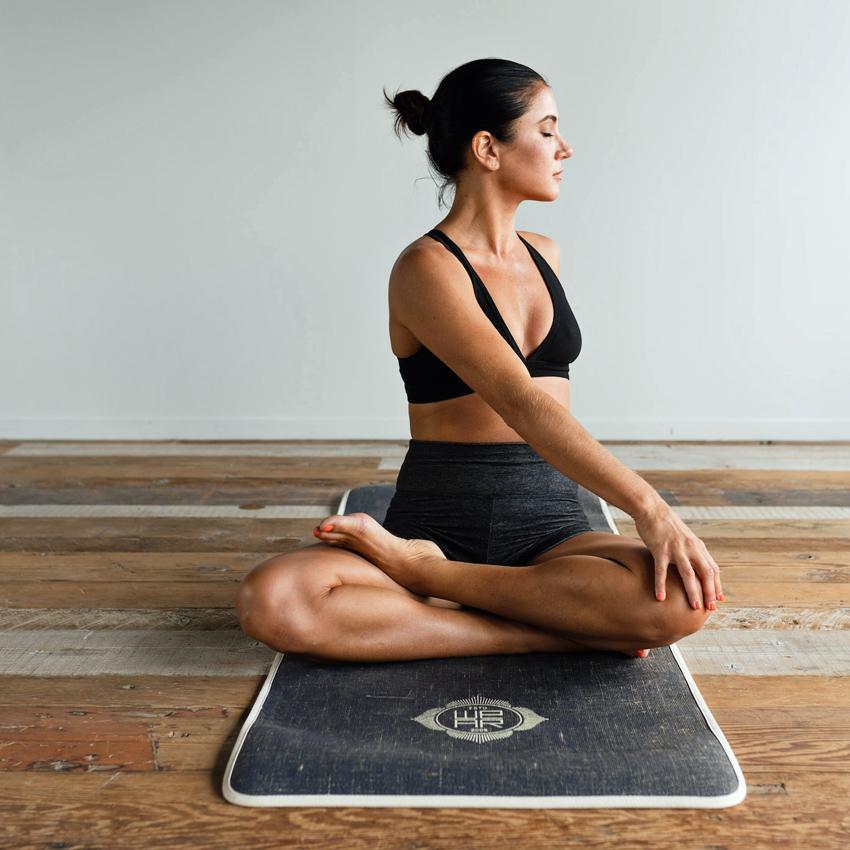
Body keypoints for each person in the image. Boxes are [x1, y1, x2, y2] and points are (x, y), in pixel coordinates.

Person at [235, 58, 723, 663]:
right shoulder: (425, 268)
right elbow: (520, 401)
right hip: (436, 521)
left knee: (682, 598)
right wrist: (651, 508)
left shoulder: (546, 255)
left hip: (549, 525)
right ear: (488, 148)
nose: (564, 148)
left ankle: (438, 586)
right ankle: (541, 624)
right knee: (275, 600)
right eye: (546, 131)